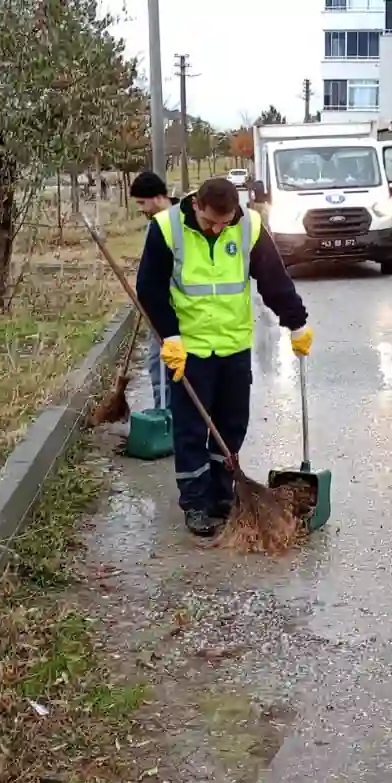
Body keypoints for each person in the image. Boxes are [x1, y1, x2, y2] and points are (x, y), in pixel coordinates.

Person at [136, 177, 313, 538]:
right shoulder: (167, 228)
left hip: (234, 346)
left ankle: (221, 494)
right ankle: (196, 503)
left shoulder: (248, 226)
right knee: (190, 429)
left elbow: (273, 280)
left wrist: (296, 323)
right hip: (190, 349)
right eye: (212, 221)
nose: (219, 228)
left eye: (225, 222)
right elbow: (149, 288)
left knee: (232, 425)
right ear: (196, 205)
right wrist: (170, 336)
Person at [130, 171, 180, 409]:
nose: (141, 209)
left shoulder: (174, 224)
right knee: (157, 364)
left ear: (158, 197)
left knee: (163, 366)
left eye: (142, 202)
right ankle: (166, 414)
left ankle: (168, 418)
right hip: (159, 307)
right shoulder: (160, 224)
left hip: (171, 309)